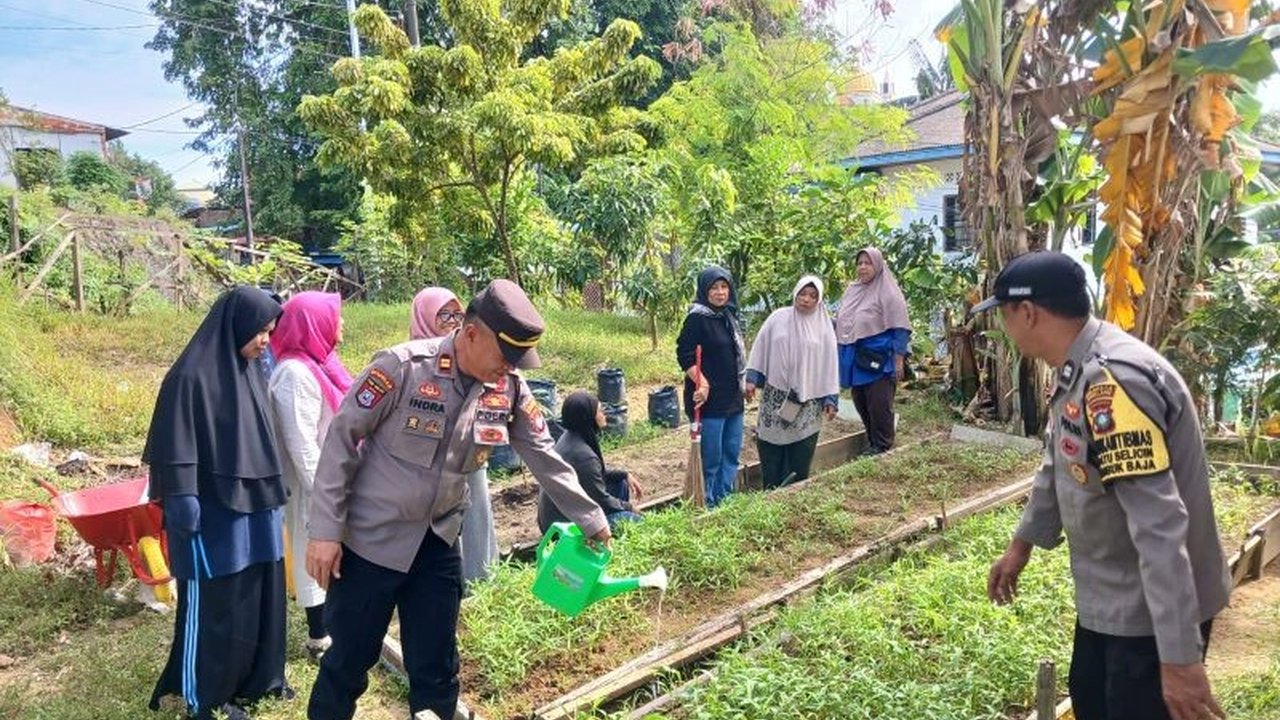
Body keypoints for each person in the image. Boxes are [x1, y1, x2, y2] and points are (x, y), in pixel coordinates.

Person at [305, 279, 611, 720]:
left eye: (516, 361)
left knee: (437, 671)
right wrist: (326, 531)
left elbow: (542, 452)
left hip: (438, 541)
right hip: (371, 543)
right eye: (504, 357)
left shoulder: (508, 388)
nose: (508, 368)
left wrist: (591, 517)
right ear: (471, 334)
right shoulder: (401, 368)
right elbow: (340, 441)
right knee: (348, 664)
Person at [976, 252, 1231, 720]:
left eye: (1005, 315)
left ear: (1028, 313)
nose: (1007, 329)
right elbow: (1059, 461)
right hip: (1110, 602)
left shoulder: (1111, 384)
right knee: (1092, 697)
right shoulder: (1079, 369)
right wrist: (1021, 546)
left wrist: (1177, 657)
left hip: (1149, 619)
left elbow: (1160, 525)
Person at [144, 286, 291, 720]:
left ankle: (258, 679)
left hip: (257, 503)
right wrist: (183, 499)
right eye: (260, 331)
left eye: (270, 332)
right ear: (235, 325)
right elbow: (176, 443)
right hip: (212, 510)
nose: (266, 340)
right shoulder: (187, 378)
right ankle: (204, 696)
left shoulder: (251, 370)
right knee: (215, 602)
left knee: (259, 594)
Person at [267, 291, 353, 662]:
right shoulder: (294, 374)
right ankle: (320, 636)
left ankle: (335, 626)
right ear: (312, 324)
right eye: (336, 317)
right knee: (311, 551)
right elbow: (301, 444)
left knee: (327, 554)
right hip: (311, 482)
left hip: (331, 475)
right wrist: (328, 495)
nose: (342, 324)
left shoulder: (319, 363)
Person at [411, 285, 500, 585]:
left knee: (477, 518)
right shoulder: (412, 365)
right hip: (429, 466)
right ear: (424, 317)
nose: (452, 321)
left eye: (456, 313)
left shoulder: (472, 354)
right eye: (443, 315)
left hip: (471, 455)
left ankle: (482, 580)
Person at [745, 275, 840, 489]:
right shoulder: (778, 318)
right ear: (795, 293)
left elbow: (830, 365)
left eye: (813, 296)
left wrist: (831, 399)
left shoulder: (824, 328)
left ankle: (794, 494)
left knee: (800, 454)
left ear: (819, 300)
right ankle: (770, 492)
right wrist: (752, 378)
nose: (806, 299)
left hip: (807, 401)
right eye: (803, 293)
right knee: (770, 447)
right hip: (775, 398)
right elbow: (761, 347)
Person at [676, 266, 747, 508]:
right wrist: (702, 381)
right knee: (711, 457)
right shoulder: (697, 318)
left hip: (732, 396)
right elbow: (684, 354)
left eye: (724, 287)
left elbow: (736, 356)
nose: (719, 293)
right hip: (708, 399)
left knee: (731, 452)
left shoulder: (729, 316)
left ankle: (724, 498)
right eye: (714, 288)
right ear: (704, 291)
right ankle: (705, 501)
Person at [836, 247, 911, 455]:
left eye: (867, 263)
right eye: (859, 263)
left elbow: (900, 327)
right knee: (861, 401)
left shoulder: (888, 292)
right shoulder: (852, 289)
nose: (862, 267)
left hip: (879, 359)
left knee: (879, 404)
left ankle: (883, 446)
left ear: (877, 265)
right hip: (857, 358)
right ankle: (872, 443)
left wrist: (898, 359)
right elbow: (844, 320)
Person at [538, 391, 645, 533]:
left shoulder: (570, 436)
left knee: (620, 483)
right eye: (600, 410)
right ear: (587, 417)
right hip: (565, 528)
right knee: (635, 521)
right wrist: (630, 508)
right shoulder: (583, 456)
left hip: (561, 513)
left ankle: (610, 524)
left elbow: (595, 475)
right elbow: (601, 500)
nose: (604, 413)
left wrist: (624, 474)